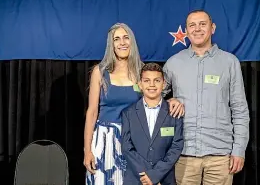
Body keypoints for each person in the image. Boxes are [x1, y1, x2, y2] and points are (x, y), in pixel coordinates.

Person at [84, 23, 184, 185]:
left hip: (136, 143)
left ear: (132, 41)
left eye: (126, 37)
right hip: (105, 140)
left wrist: (172, 100)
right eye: (117, 39)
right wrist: (87, 150)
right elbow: (92, 112)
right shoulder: (100, 71)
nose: (122, 42)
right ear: (112, 44)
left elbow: (155, 97)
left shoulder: (142, 71)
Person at [163, 10, 250, 185]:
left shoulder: (229, 62)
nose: (197, 29)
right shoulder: (173, 62)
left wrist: (239, 150)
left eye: (202, 24)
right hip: (184, 154)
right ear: (186, 31)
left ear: (213, 28)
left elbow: (240, 109)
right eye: (192, 25)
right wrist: (168, 101)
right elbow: (150, 100)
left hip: (220, 156)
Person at [121, 63, 184, 185]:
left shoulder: (174, 113)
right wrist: (147, 174)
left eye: (157, 80)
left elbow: (176, 146)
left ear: (164, 84)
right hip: (137, 179)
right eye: (146, 80)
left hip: (164, 179)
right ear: (140, 84)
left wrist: (156, 174)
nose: (152, 85)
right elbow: (126, 147)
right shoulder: (128, 113)